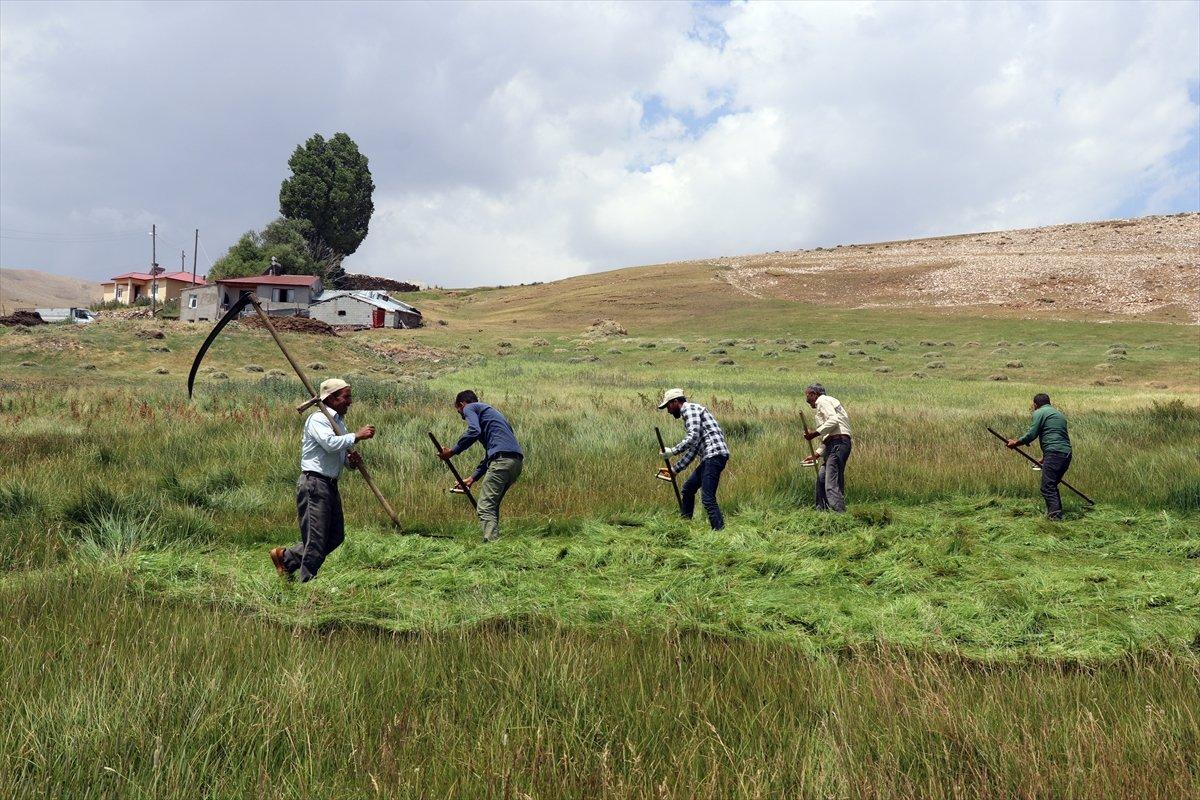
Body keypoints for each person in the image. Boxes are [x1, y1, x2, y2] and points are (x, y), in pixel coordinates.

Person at [270, 378, 375, 581]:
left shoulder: (338, 423)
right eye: (347, 396)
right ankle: (306, 581)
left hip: (330, 484)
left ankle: (287, 559)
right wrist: (357, 436)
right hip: (314, 484)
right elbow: (329, 444)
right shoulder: (318, 419)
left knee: (335, 536)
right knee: (316, 539)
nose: (350, 401)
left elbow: (340, 454)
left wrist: (351, 462)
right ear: (333, 398)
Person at [439, 390, 524, 542]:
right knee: (491, 506)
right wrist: (472, 478)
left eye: (460, 413)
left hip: (501, 462)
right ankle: (495, 542)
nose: (463, 416)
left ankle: (492, 548)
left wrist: (452, 451)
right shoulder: (493, 416)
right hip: (515, 463)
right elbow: (490, 455)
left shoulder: (470, 407)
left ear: (461, 404)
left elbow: (473, 431)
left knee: (484, 507)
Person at [657, 388, 731, 530]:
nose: (668, 411)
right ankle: (685, 527)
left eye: (668, 406)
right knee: (688, 489)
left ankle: (720, 532)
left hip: (714, 455)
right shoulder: (691, 413)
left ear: (675, 402)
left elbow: (693, 437)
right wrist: (674, 470)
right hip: (710, 457)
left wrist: (672, 451)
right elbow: (694, 449)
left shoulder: (689, 409)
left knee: (708, 498)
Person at [1007, 392, 1073, 519]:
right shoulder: (1059, 415)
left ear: (1035, 405)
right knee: (1052, 485)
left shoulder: (1039, 413)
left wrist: (1016, 443)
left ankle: (1055, 518)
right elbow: (1057, 437)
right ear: (1049, 402)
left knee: (1047, 487)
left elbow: (1032, 434)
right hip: (1066, 454)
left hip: (1054, 454)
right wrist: (1044, 458)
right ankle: (1057, 514)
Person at [802, 383, 853, 512]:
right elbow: (830, 436)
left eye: (808, 396)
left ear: (814, 394)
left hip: (838, 444)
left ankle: (839, 513)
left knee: (831, 482)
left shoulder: (823, 401)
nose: (808, 401)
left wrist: (814, 433)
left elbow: (833, 421)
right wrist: (817, 454)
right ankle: (821, 511)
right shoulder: (827, 402)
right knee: (822, 478)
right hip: (834, 444)